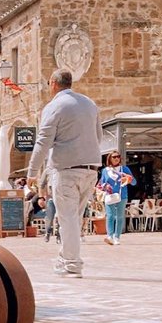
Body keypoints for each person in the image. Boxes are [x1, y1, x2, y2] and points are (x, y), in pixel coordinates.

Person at [26, 68, 103, 277]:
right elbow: (99, 135)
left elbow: (43, 141)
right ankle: (64, 258)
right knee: (74, 218)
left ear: (53, 83)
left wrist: (32, 172)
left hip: (67, 169)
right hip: (91, 168)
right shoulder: (89, 103)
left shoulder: (54, 107)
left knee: (67, 218)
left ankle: (72, 264)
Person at [98, 150, 136, 246]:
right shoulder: (105, 170)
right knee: (110, 216)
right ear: (109, 159)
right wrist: (105, 186)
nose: (116, 158)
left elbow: (134, 182)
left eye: (118, 156)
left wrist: (128, 178)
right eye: (114, 157)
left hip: (122, 195)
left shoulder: (124, 169)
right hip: (109, 195)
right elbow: (101, 183)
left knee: (119, 216)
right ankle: (109, 236)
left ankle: (117, 237)